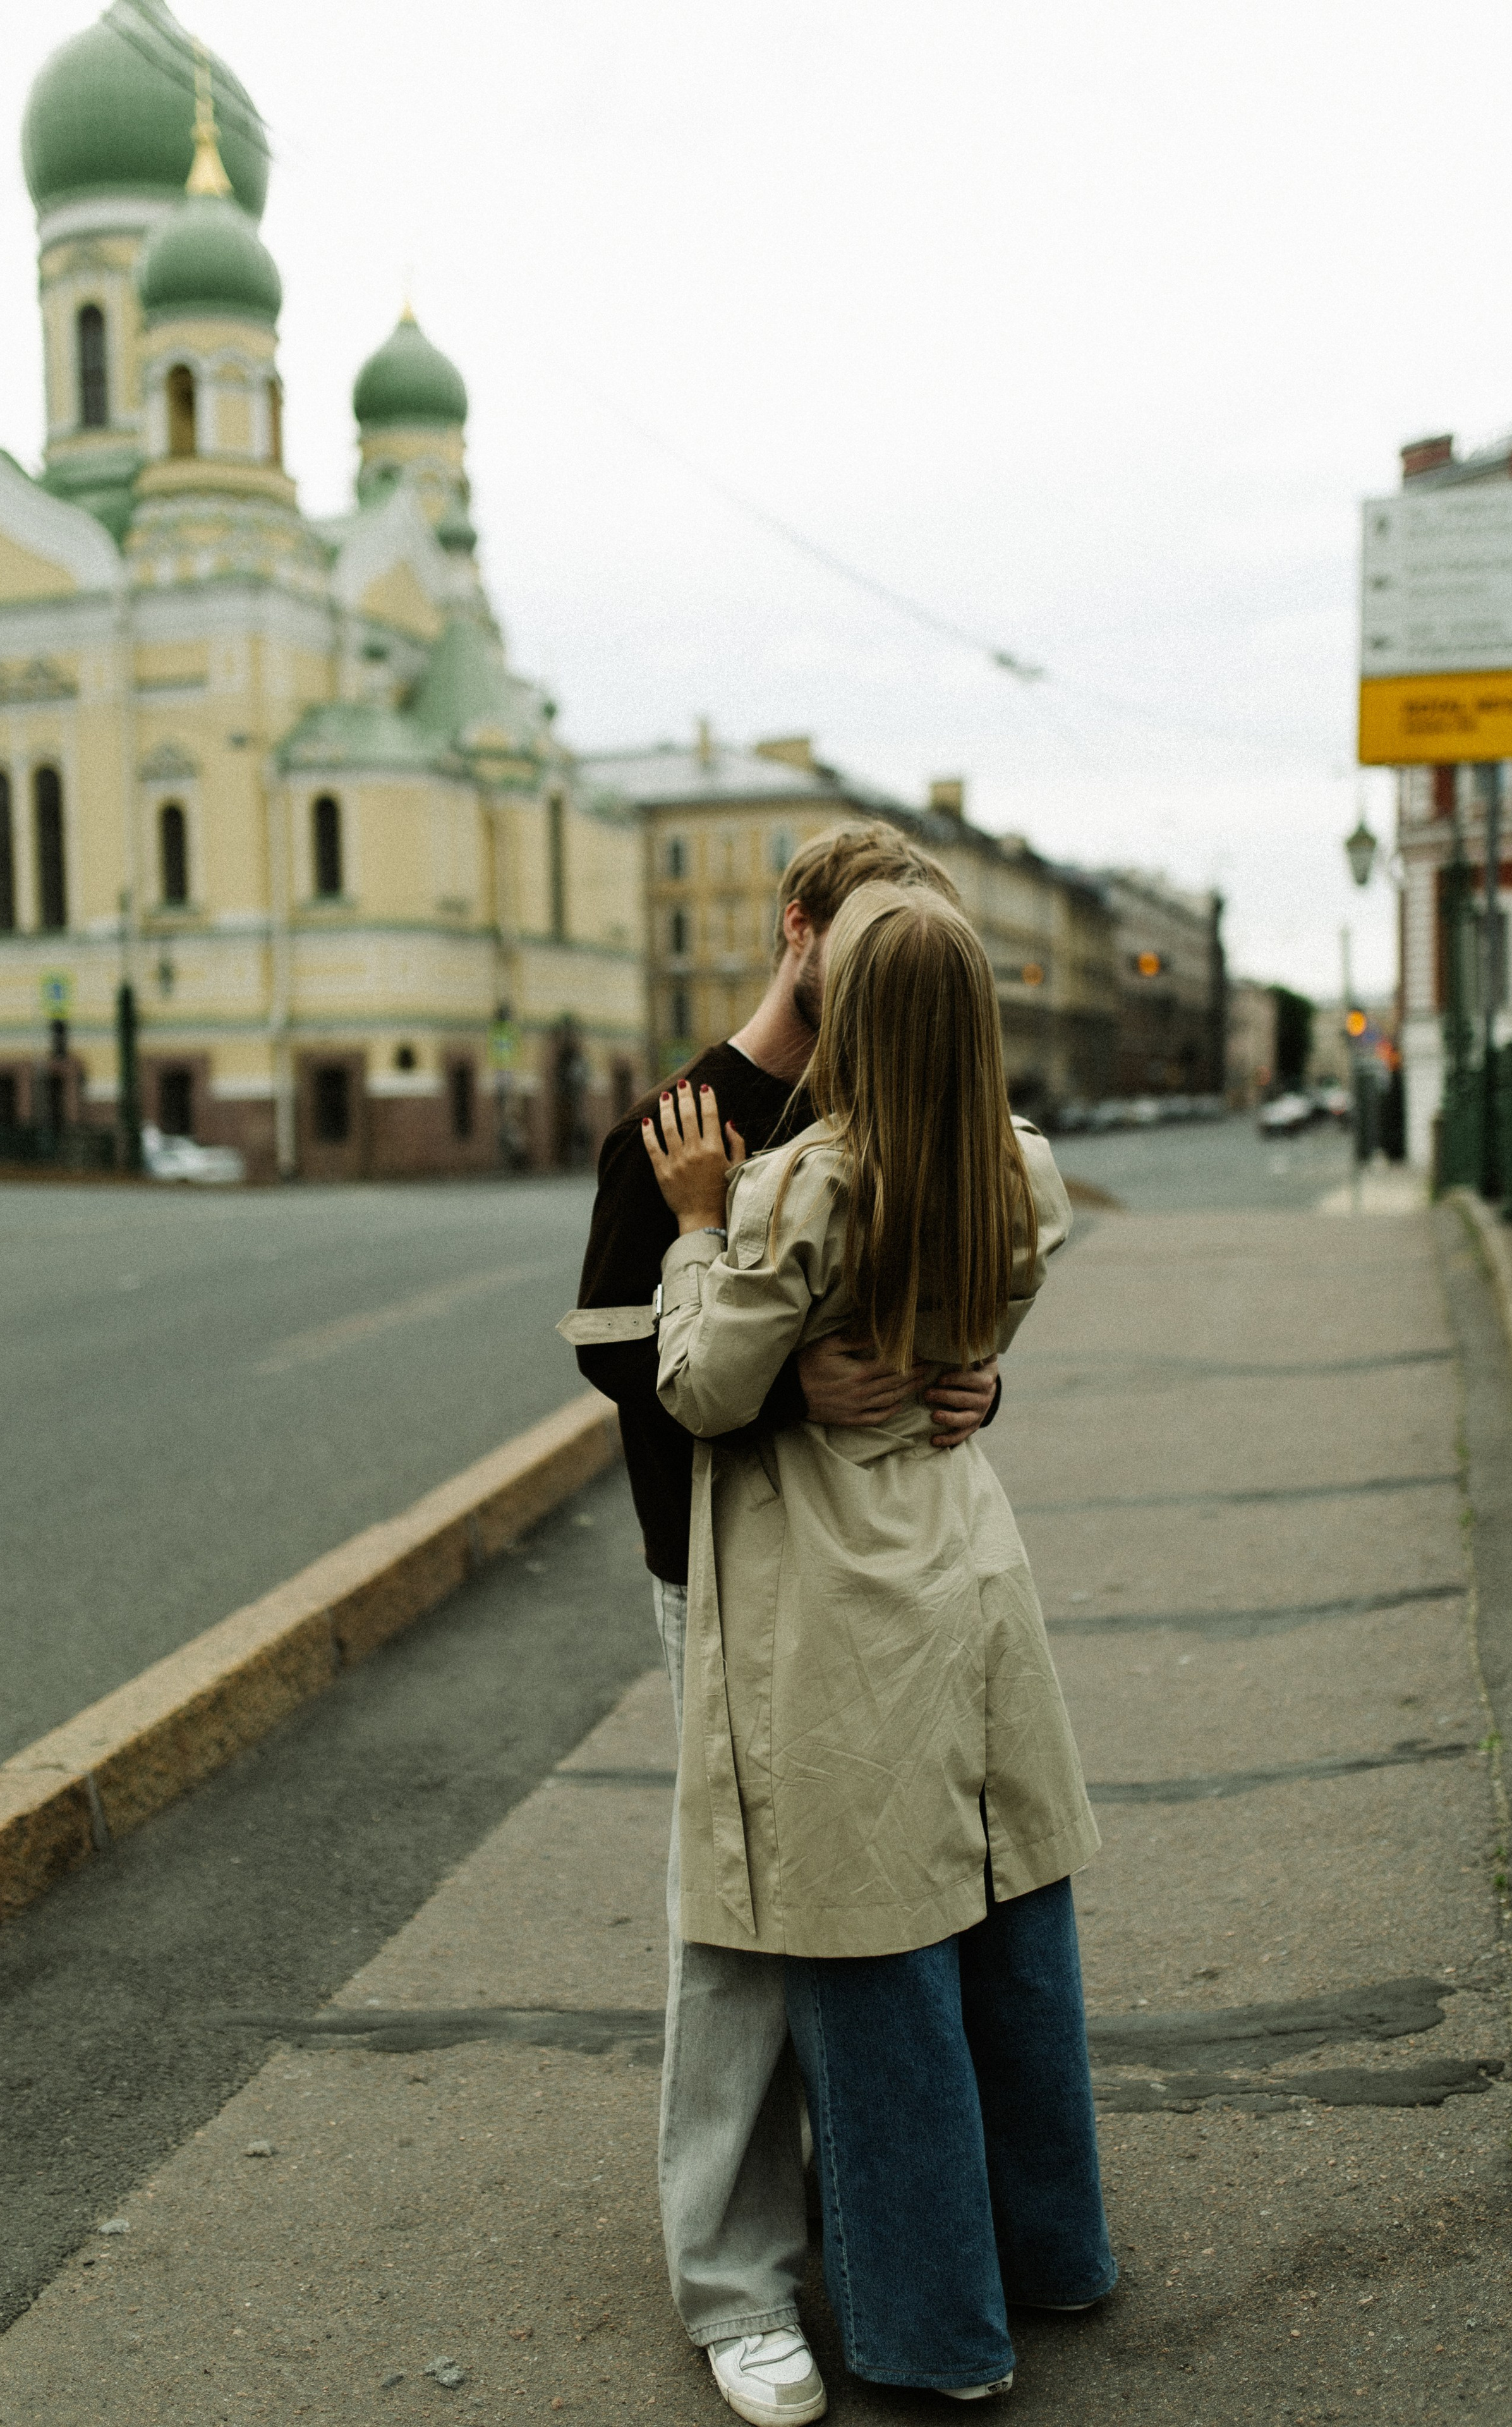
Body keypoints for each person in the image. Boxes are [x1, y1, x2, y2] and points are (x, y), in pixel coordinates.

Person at [644, 880, 1114, 2405]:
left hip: (840, 1607)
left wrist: (697, 1228)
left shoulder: (796, 1188)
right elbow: (976, 1346)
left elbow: (705, 1389)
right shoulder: (1021, 1171)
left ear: (843, 1011)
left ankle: (933, 2335)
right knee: (1009, 1936)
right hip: (971, 1573)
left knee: (877, 1966)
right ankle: (1049, 2255)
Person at [565, 824, 1005, 2426]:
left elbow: (944, 1290)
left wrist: (973, 1379)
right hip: (726, 1578)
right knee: (738, 1933)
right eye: (868, 927)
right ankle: (734, 2286)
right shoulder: (684, 1125)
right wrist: (773, 1390)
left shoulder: (892, 1087)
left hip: (874, 1577)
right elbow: (618, 1351)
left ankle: (863, 2224)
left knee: (875, 1908)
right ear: (797, 929)